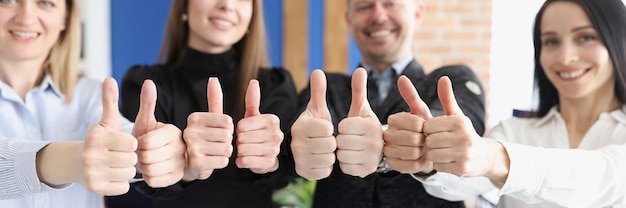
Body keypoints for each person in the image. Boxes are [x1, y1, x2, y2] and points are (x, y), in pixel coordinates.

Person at [383, 0, 626, 207]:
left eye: (586, 37)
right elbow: (464, 179)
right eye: (551, 41)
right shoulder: (514, 131)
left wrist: (493, 159)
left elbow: (602, 176)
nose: (566, 57)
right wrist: (432, 159)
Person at [289, 0, 486, 207]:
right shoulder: (324, 89)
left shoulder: (452, 81)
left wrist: (420, 135)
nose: (378, 16)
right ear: (349, 19)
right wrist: (302, 143)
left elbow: (462, 127)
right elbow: (294, 138)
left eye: (391, 4)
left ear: (417, 14)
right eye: (364, 7)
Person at [0, 0, 186, 207]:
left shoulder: (89, 94)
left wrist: (154, 149)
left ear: (65, 18)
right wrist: (71, 161)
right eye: (7, 0)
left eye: (45, 3)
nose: (26, 18)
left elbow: (121, 136)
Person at [116, 0, 298, 207]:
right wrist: (184, 169)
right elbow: (147, 182)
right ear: (184, 6)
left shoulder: (275, 85)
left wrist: (269, 162)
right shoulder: (146, 84)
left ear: (252, 16)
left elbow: (286, 174)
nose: (227, 5)